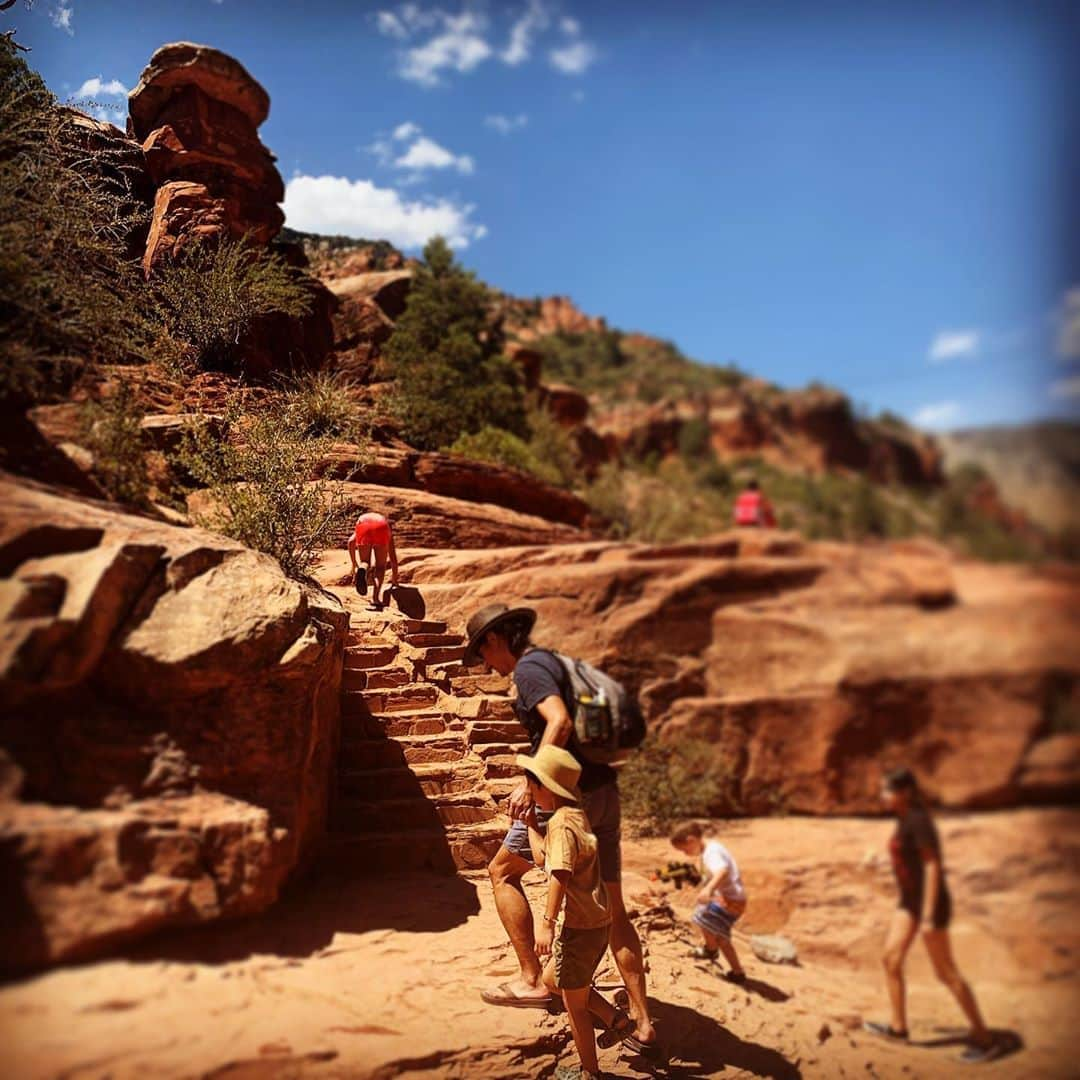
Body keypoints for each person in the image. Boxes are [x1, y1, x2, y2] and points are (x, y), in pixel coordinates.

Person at [465, 603, 659, 1057]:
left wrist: (529, 782)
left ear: (495, 640)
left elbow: (560, 722)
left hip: (569, 800)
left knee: (501, 872)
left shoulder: (530, 671)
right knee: (614, 908)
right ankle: (644, 1023)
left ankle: (533, 980)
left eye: (481, 654)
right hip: (604, 792)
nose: (484, 665)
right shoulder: (552, 661)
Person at [863, 767, 997, 1063]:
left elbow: (933, 867)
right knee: (891, 958)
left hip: (929, 905)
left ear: (905, 792)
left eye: (888, 790)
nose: (883, 796)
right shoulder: (904, 820)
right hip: (909, 902)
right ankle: (899, 1029)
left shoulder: (919, 821)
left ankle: (985, 1039)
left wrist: (926, 917)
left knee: (945, 972)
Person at [519, 745, 631, 1080]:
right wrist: (530, 825)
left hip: (579, 927)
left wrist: (546, 923)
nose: (529, 791)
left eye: (531, 784)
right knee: (555, 980)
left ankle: (589, 1073)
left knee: (575, 1006)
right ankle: (617, 1020)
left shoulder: (561, 825)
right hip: (598, 921)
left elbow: (559, 873)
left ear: (544, 787)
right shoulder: (576, 817)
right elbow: (545, 859)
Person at [670, 822, 747, 982]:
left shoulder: (712, 852)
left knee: (720, 935)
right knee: (701, 916)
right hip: (725, 897)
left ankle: (737, 972)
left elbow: (723, 871)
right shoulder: (708, 849)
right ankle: (711, 949)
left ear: (691, 840)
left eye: (685, 849)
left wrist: (709, 889)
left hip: (731, 901)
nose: (685, 854)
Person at [345, 511, 399, 606]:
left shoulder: (363, 519)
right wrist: (395, 581)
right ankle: (375, 598)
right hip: (381, 527)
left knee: (365, 562)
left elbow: (350, 542)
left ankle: (362, 568)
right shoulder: (387, 529)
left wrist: (354, 564)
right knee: (380, 567)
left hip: (363, 525)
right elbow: (393, 559)